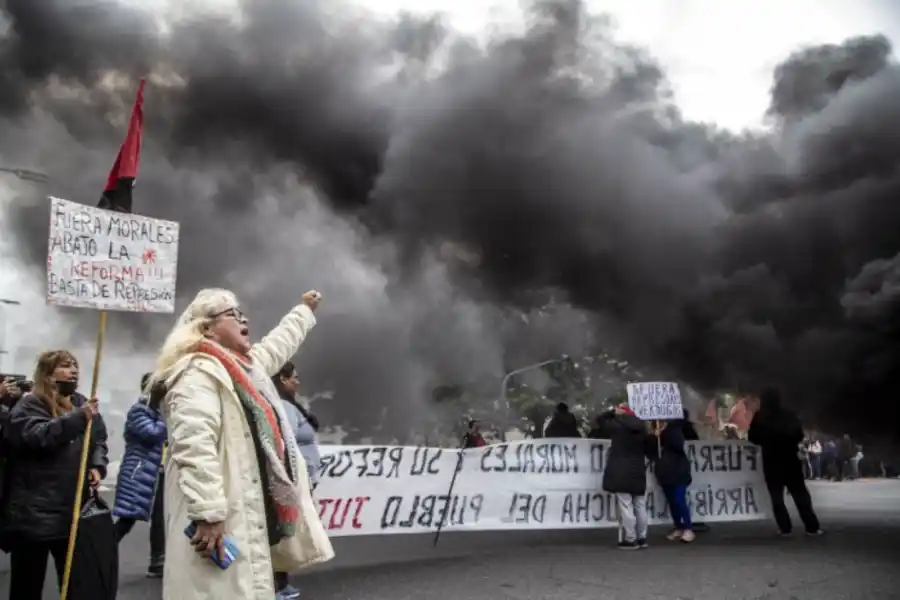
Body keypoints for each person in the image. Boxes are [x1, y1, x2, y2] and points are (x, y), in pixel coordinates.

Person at [149, 288, 333, 600]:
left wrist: (304, 310)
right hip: (219, 515)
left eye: (241, 313)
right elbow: (194, 444)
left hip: (242, 506)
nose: (243, 319)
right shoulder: (196, 372)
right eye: (232, 314)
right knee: (220, 590)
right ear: (207, 328)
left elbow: (277, 345)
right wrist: (207, 513)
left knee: (246, 586)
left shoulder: (244, 369)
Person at [0, 350, 108, 600]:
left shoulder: (81, 402)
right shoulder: (31, 403)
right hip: (33, 514)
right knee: (27, 587)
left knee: (75, 585)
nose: (74, 370)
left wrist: (96, 465)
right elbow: (38, 437)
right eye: (66, 366)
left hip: (72, 511)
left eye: (75, 365)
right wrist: (79, 417)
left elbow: (98, 438)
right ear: (48, 374)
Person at [271, 361, 322, 600]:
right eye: (295, 377)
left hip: (298, 478)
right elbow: (286, 443)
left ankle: (279, 583)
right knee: (284, 531)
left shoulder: (288, 405)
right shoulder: (284, 406)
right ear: (282, 379)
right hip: (293, 480)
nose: (297, 382)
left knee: (286, 531)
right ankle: (277, 585)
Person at [747, 387, 823, 537]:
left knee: (777, 497)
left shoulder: (760, 417)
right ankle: (812, 527)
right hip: (790, 460)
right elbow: (799, 434)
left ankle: (785, 528)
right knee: (800, 494)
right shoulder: (789, 415)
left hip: (771, 461)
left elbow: (752, 437)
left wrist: (766, 442)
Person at [112, 372, 168, 578]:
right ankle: (100, 552)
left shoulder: (154, 411)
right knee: (127, 518)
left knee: (160, 518)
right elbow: (152, 434)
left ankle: (157, 562)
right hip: (138, 472)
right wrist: (165, 417)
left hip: (156, 472)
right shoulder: (139, 410)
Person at [597, 404, 653, 550]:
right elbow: (650, 449)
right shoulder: (643, 428)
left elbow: (600, 419)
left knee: (626, 505)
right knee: (640, 505)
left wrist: (612, 412)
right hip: (638, 470)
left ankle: (630, 539)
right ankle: (642, 538)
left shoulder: (617, 426)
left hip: (620, 470)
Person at [653, 419, 695, 543]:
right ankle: (678, 527)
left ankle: (688, 528)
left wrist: (663, 433)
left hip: (678, 472)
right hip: (665, 473)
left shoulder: (673, 429)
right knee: (672, 502)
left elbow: (678, 444)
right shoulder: (658, 432)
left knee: (679, 499)